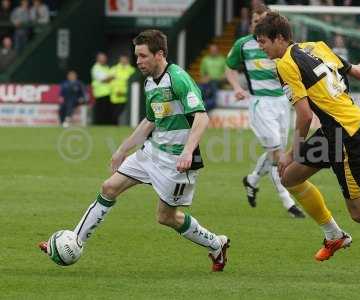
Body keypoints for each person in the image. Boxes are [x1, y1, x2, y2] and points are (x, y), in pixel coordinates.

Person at [38, 29, 230, 272]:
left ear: (159, 54)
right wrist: (121, 150)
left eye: (142, 56)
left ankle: (216, 244)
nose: (137, 61)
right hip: (151, 152)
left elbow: (201, 117)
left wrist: (188, 152)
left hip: (176, 161)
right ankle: (75, 242)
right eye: (136, 56)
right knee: (108, 187)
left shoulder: (178, 78)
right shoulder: (151, 83)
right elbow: (149, 121)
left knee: (166, 217)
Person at [255, 11, 360, 261]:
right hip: (333, 132)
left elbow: (303, 116)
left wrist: (292, 152)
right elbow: (355, 72)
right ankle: (334, 235)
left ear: (279, 38)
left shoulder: (286, 64)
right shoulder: (316, 46)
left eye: (263, 42)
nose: (261, 48)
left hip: (345, 134)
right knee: (289, 177)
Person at [225, 3, 305, 218]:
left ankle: (251, 181)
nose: (258, 25)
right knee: (278, 154)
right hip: (261, 104)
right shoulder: (243, 45)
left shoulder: (279, 46)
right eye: (255, 21)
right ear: (251, 22)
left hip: (282, 102)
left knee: (275, 152)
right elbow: (229, 67)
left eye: (262, 21)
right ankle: (288, 202)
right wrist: (236, 87)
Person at [199, 44, 226, 111]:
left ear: (218, 50)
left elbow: (226, 73)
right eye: (212, 50)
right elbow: (202, 73)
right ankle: (201, 104)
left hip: (219, 81)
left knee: (213, 85)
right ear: (209, 51)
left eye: (215, 50)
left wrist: (222, 77)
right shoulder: (205, 59)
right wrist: (205, 78)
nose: (213, 51)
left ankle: (210, 105)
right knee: (199, 87)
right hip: (208, 81)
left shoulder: (222, 59)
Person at [110, 55, 135, 125]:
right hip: (115, 95)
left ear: (128, 60)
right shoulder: (114, 69)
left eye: (125, 59)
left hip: (125, 96)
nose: (123, 61)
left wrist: (125, 93)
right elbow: (109, 81)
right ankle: (114, 126)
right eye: (122, 59)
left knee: (123, 113)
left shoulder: (131, 70)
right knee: (114, 114)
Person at [91, 52, 114, 125]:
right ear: (98, 59)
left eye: (104, 58)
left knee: (106, 112)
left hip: (108, 93)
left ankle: (105, 125)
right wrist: (111, 77)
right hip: (100, 94)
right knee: (99, 112)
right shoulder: (96, 68)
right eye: (102, 58)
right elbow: (103, 79)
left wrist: (110, 77)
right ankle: (98, 125)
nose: (104, 59)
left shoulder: (106, 67)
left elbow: (109, 78)